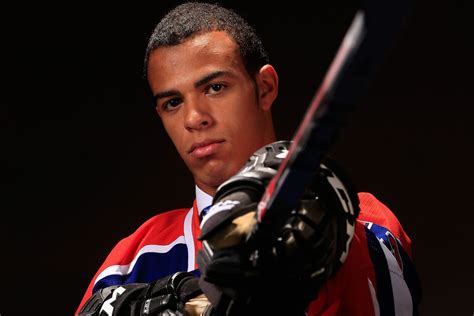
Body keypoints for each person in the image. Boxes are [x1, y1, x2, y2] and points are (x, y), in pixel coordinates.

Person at [76, 2, 421, 315]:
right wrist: (195, 300)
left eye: (215, 87)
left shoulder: (363, 222)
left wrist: (321, 247)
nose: (194, 118)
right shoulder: (132, 259)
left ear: (265, 88)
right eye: (173, 103)